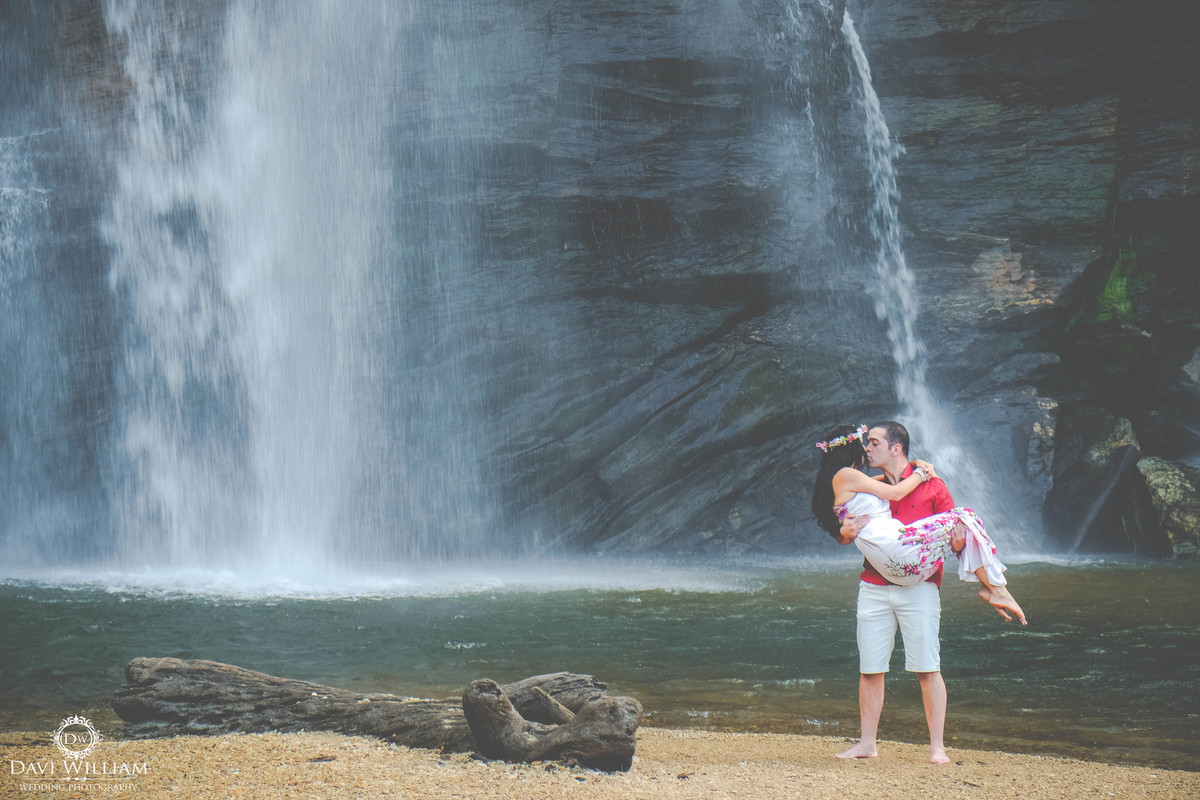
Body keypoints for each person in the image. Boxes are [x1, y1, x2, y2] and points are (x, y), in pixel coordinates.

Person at [808, 422, 1026, 765]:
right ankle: (867, 743)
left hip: (919, 582)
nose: (868, 448)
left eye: (874, 442)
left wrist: (956, 540)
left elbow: (951, 535)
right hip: (876, 582)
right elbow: (850, 521)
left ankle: (937, 747)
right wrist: (842, 533)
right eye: (865, 443)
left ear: (896, 448)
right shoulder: (876, 484)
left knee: (928, 667)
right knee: (870, 669)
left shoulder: (916, 485)